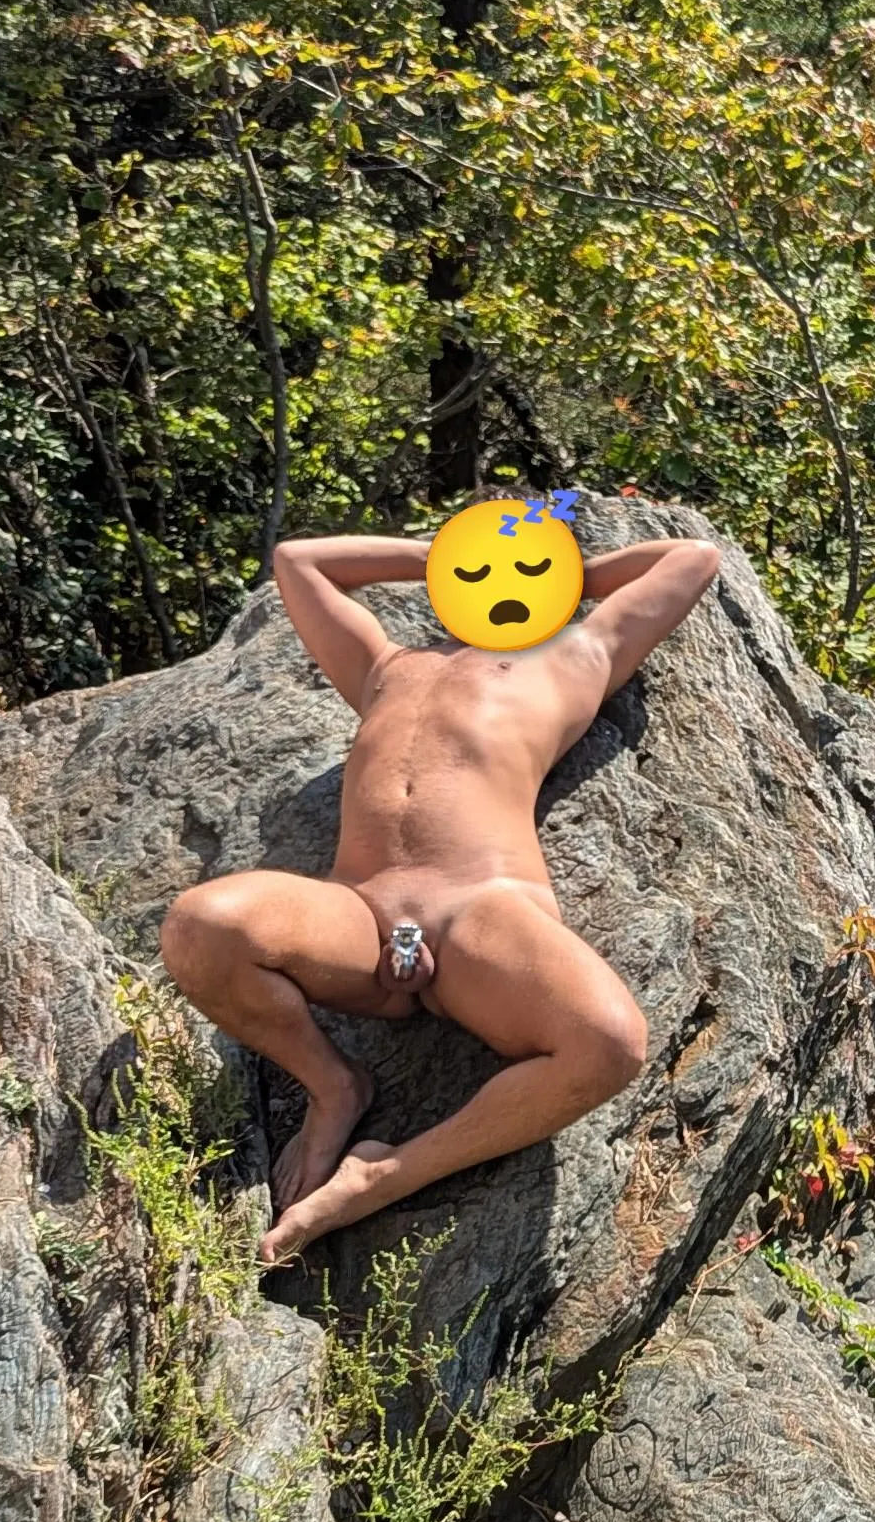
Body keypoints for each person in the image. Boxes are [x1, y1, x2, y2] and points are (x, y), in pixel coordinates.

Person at [158, 521, 723, 1270]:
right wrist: (441, 559)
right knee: (200, 927)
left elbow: (692, 559)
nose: (500, 584)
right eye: (483, 575)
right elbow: (299, 562)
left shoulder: (573, 656)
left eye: (517, 574)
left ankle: (380, 1175)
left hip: (478, 912)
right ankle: (335, 1086)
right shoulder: (387, 667)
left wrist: (567, 576)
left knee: (609, 1044)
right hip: (355, 910)